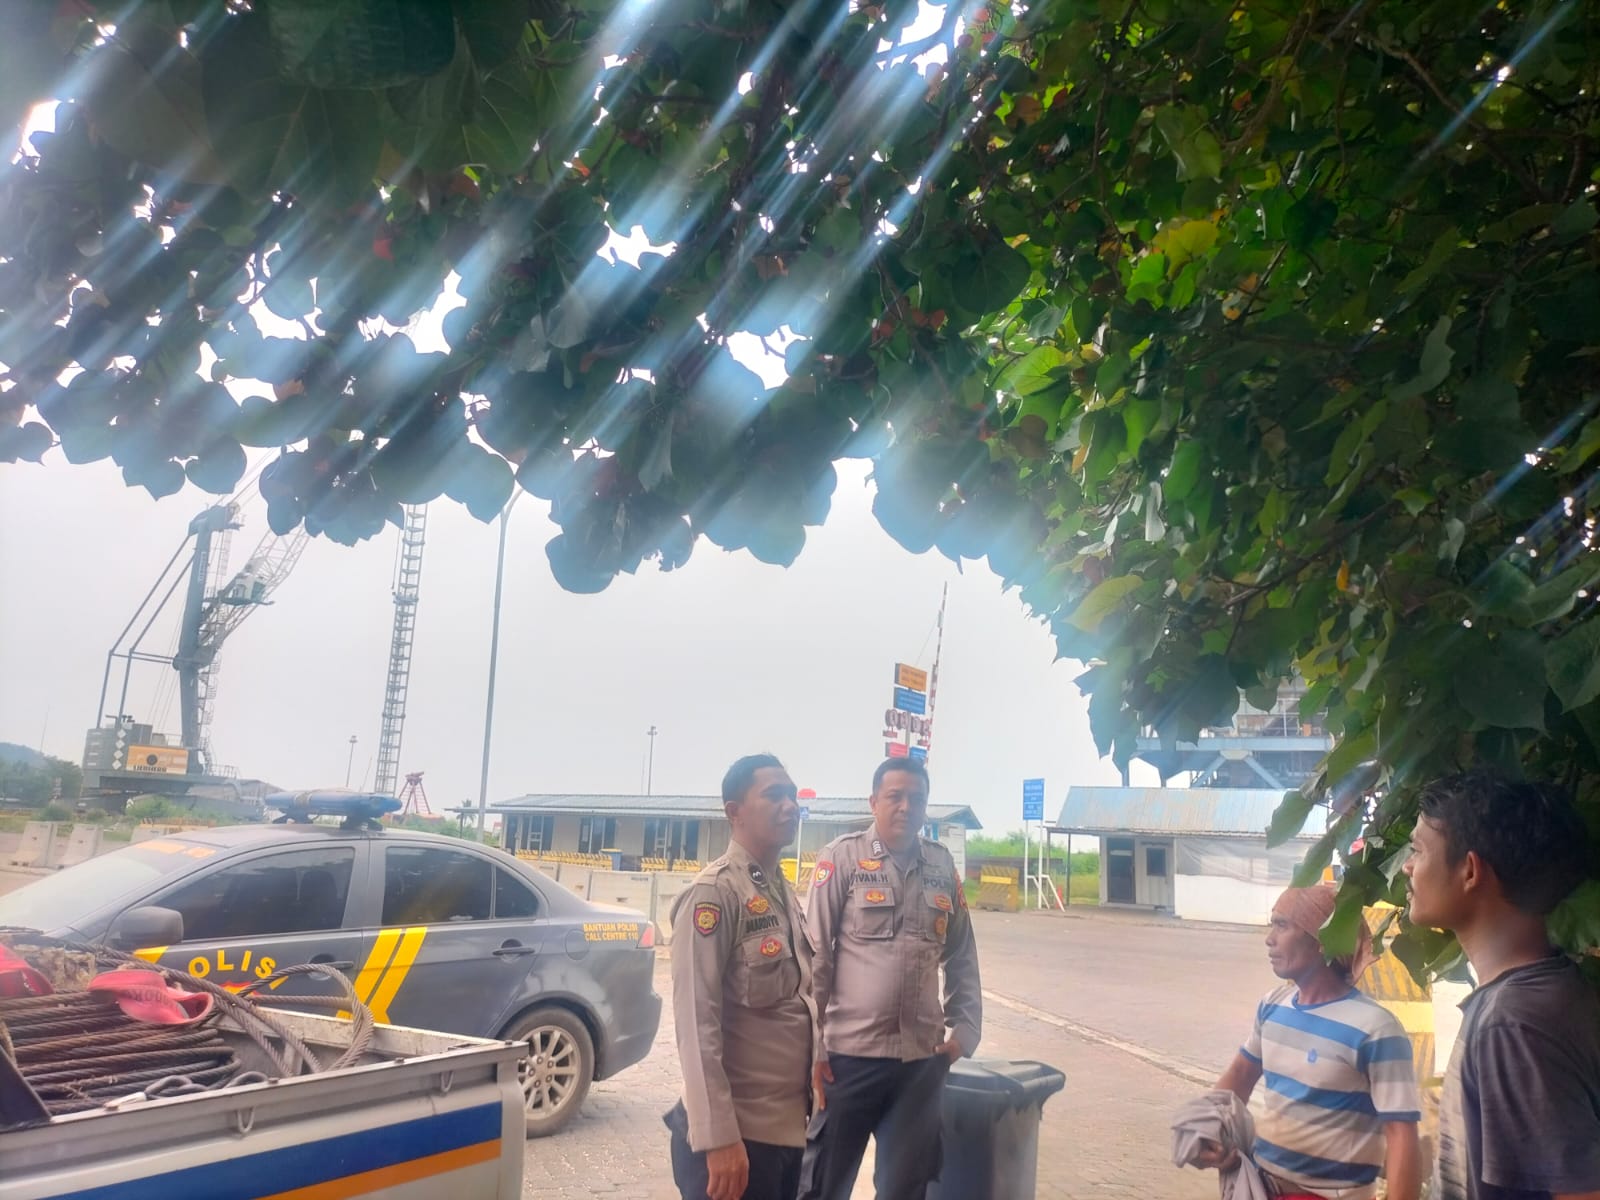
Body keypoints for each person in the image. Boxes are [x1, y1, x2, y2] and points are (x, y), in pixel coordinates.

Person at [1403, 771, 1600, 1200]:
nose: (1407, 866)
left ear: (1470, 871)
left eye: (1417, 850)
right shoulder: (1551, 994)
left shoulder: (1513, 1024)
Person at [798, 757, 981, 1200]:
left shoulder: (941, 865)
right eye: (895, 796)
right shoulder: (842, 858)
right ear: (873, 802)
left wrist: (966, 1030)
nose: (905, 806)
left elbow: (962, 953)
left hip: (921, 1062)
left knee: (906, 1189)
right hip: (848, 1059)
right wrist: (812, 1046)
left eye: (916, 798)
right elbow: (815, 958)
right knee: (823, 1185)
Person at [1195, 884, 1423, 1200]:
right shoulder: (1273, 1005)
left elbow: (1401, 1134)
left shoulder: (1376, 1029)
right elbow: (1241, 1074)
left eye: (1282, 925)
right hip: (1258, 1186)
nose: (1269, 939)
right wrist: (1207, 1126)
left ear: (1321, 940)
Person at [666, 753, 816, 1200]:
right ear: (735, 812)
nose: (789, 805)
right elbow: (696, 1024)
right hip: (737, 1142)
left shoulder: (780, 891)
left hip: (783, 1134)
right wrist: (718, 1138)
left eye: (792, 795)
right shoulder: (714, 893)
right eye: (774, 795)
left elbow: (801, 997)